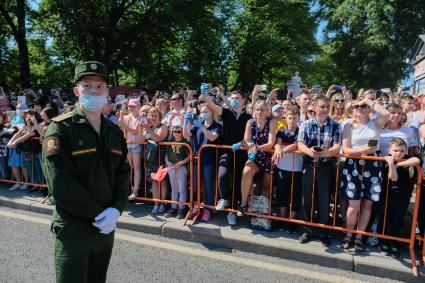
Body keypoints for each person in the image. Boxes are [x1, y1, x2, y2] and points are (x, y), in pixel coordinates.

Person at [43, 61, 130, 283]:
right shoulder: (61, 129)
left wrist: (116, 210)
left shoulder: (114, 132)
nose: (94, 91)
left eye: (99, 86)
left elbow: (123, 173)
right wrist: (98, 214)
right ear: (76, 91)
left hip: (105, 229)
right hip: (74, 229)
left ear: (107, 91)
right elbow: (61, 183)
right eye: (87, 85)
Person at [339, 96, 389, 252]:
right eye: (356, 107)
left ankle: (359, 237)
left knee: (367, 203)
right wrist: (362, 151)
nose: (359, 108)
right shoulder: (348, 125)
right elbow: (346, 150)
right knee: (353, 205)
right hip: (354, 165)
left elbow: (386, 113)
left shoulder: (376, 123)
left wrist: (370, 101)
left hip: (372, 165)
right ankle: (348, 235)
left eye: (363, 106)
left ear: (369, 109)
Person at [202, 86, 251, 225]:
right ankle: (224, 198)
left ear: (243, 101)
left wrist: (241, 142)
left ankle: (232, 212)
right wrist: (204, 95)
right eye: (232, 98)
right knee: (222, 175)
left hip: (241, 153)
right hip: (226, 151)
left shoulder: (248, 117)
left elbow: (250, 136)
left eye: (237, 98)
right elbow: (213, 106)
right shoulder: (227, 113)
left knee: (236, 182)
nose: (235, 100)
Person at [297, 96, 341, 246]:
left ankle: (323, 232)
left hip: (326, 166)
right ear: (315, 108)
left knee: (324, 200)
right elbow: (300, 144)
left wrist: (324, 153)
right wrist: (309, 152)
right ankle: (307, 230)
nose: (325, 109)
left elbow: (337, 147)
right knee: (307, 199)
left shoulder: (336, 125)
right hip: (308, 165)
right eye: (322, 106)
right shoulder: (306, 124)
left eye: (327, 106)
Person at [379, 138, 419, 256]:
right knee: (385, 219)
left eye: (402, 150)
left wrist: (398, 164)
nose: (398, 153)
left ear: (406, 150)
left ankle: (394, 242)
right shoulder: (386, 160)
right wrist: (391, 164)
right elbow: (393, 177)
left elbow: (416, 159)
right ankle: (383, 241)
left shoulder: (407, 159)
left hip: (403, 197)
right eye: (395, 150)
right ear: (389, 150)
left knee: (398, 220)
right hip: (387, 196)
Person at [183, 104, 222, 222]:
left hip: (209, 160)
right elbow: (186, 135)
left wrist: (202, 127)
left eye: (206, 111)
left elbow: (212, 137)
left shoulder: (217, 126)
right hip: (197, 159)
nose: (203, 114)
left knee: (209, 187)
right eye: (202, 112)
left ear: (212, 112)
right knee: (194, 187)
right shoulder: (197, 125)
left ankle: (207, 210)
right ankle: (194, 207)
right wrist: (186, 122)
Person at [237, 100, 276, 216]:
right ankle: (243, 204)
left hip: (268, 156)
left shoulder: (271, 122)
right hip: (254, 156)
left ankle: (264, 212)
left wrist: (256, 147)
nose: (259, 112)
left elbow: (271, 143)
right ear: (254, 110)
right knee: (246, 171)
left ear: (267, 111)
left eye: (262, 109)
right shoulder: (250, 122)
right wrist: (252, 146)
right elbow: (246, 141)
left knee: (266, 186)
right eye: (257, 109)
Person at [272, 109, 303, 233]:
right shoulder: (281, 131)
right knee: (282, 194)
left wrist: (282, 150)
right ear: (286, 118)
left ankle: (292, 220)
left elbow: (296, 144)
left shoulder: (301, 131)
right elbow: (277, 144)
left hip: (297, 169)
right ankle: (282, 220)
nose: (292, 121)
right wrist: (278, 147)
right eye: (290, 118)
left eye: (295, 118)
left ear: (298, 119)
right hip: (282, 168)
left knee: (295, 195)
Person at [119, 98, 145, 200]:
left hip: (136, 144)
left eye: (133, 106)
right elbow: (122, 130)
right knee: (129, 168)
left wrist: (123, 125)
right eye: (130, 106)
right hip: (128, 144)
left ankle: (135, 191)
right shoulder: (126, 117)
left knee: (137, 168)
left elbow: (135, 131)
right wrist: (121, 118)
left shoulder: (141, 118)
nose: (131, 108)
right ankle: (128, 191)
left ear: (138, 107)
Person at [164, 122, 190, 219]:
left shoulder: (186, 142)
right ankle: (173, 207)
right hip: (171, 167)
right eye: (175, 131)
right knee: (174, 189)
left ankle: (181, 209)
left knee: (182, 189)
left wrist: (180, 163)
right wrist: (168, 162)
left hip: (181, 168)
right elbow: (166, 155)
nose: (177, 133)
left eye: (179, 131)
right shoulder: (170, 142)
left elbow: (189, 156)